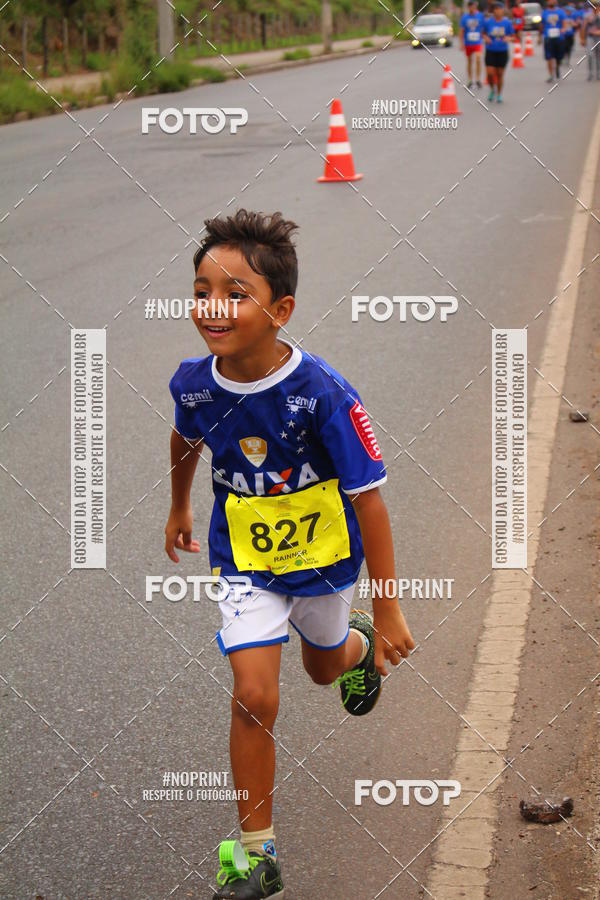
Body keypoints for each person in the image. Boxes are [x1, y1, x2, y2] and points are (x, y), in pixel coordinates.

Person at [166, 209, 415, 899]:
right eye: (201, 291)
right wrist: (180, 505)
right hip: (244, 563)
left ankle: (353, 649)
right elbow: (186, 436)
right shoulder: (195, 383)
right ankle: (258, 856)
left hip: (324, 563)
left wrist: (388, 611)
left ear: (281, 311)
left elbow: (369, 501)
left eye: (235, 293)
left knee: (321, 667)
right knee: (253, 695)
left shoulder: (322, 393)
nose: (213, 307)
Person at [484, 2, 514, 102]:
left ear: (503, 11)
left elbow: (513, 36)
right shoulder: (488, 22)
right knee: (490, 73)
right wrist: (486, 38)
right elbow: (483, 33)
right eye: (495, 9)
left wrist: (509, 38)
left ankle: (499, 94)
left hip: (502, 51)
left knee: (500, 74)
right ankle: (492, 90)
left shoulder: (507, 23)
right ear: (493, 11)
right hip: (490, 50)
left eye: (499, 9)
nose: (497, 11)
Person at [461, 0, 486, 87]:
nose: (472, 8)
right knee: (469, 61)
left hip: (478, 41)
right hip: (468, 42)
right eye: (470, 6)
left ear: (475, 7)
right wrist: (461, 43)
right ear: (468, 7)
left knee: (478, 58)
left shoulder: (480, 16)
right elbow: (462, 31)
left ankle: (478, 79)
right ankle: (470, 79)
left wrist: (485, 36)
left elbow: (484, 28)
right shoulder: (465, 17)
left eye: (474, 6)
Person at [539, 0, 566, 82]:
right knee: (549, 57)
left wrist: (563, 29)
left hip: (559, 38)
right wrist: (539, 36)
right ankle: (551, 75)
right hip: (548, 37)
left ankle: (557, 66)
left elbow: (564, 23)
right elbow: (542, 25)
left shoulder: (560, 12)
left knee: (559, 56)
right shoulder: (544, 13)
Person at [581, 0, 600, 80]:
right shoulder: (588, 16)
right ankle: (590, 73)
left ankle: (598, 73)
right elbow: (583, 27)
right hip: (590, 37)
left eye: (597, 6)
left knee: (598, 56)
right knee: (590, 55)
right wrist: (582, 39)